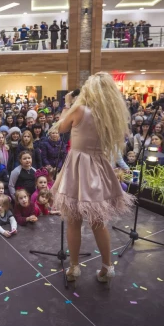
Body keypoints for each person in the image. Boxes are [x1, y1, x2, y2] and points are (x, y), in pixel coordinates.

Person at [51, 73, 135, 286]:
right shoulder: (109, 116)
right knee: (99, 222)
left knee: (73, 220)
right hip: (98, 168)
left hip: (78, 168)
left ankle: (74, 266)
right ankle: (107, 267)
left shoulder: (79, 110)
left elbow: (60, 128)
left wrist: (68, 103)